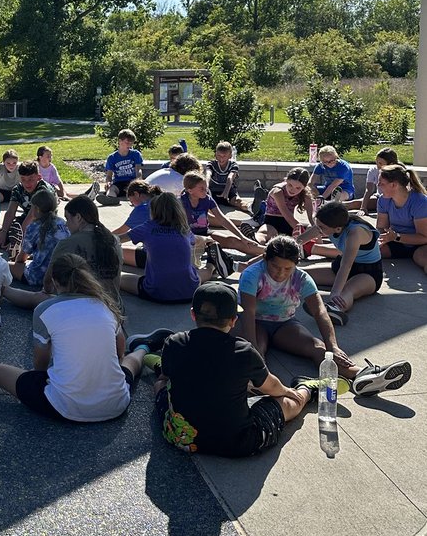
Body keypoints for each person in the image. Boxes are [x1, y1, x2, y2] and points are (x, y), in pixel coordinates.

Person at [0, 253, 144, 423]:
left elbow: (40, 363)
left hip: (65, 407)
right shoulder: (104, 305)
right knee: (129, 364)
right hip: (117, 404)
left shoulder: (46, 309)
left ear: (54, 281)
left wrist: (45, 377)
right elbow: (120, 347)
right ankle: (143, 348)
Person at [140, 282, 315, 457]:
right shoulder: (243, 351)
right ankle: (305, 391)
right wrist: (286, 391)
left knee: (162, 382)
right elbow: (271, 387)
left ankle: (161, 364)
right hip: (238, 443)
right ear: (233, 320)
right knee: (283, 403)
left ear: (193, 314)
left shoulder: (174, 342)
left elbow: (165, 378)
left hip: (181, 436)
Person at [238, 235, 410, 394]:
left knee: (319, 349)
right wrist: (253, 348)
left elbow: (320, 311)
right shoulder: (252, 275)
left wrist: (332, 345)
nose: (280, 273)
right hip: (255, 321)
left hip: (284, 323)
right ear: (265, 259)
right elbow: (248, 312)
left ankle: (364, 376)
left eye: (287, 268)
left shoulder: (301, 278)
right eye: (275, 266)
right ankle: (256, 383)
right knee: (255, 351)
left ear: (296, 265)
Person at [299, 202, 384, 325]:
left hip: (367, 273)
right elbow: (298, 241)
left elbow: (346, 265)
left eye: (321, 228)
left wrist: (334, 293)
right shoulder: (328, 224)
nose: (318, 230)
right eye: (317, 225)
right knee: (302, 276)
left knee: (347, 290)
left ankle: (334, 309)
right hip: (342, 267)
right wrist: (283, 248)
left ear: (338, 228)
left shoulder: (355, 232)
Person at [120, 191, 213, 302]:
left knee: (121, 279)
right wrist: (207, 240)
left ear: (153, 211)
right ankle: (212, 264)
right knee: (200, 274)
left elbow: (117, 239)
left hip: (157, 292)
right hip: (190, 291)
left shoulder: (148, 227)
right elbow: (196, 239)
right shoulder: (184, 229)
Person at [180, 171, 260, 267]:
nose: (205, 191)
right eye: (202, 189)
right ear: (190, 190)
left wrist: (242, 237)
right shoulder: (181, 202)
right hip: (188, 237)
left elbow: (222, 219)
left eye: (206, 188)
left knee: (233, 241)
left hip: (205, 233)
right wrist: (200, 240)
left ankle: (269, 251)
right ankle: (219, 264)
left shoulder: (207, 199)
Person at [0, 161, 57, 250]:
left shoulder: (43, 190)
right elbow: (10, 212)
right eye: (23, 179)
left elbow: (32, 215)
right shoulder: (18, 189)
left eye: (31, 179)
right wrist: (3, 233)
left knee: (38, 235)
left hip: (45, 221)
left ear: (39, 177)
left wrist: (17, 240)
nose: (27, 183)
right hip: (26, 220)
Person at [10, 189, 69, 288]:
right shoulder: (62, 223)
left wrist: (17, 261)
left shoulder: (34, 226)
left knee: (6, 265)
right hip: (60, 276)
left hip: (38, 277)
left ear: (36, 209)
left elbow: (22, 258)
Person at [376, 163, 427, 273]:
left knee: (423, 259)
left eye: (381, 183)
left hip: (421, 245)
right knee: (362, 251)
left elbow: (424, 237)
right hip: (395, 242)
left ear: (394, 185)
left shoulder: (420, 202)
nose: (378, 185)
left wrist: (396, 237)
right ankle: (328, 251)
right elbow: (381, 227)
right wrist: (381, 239)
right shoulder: (383, 200)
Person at [256, 168, 316, 242]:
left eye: (298, 188)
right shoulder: (278, 191)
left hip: (289, 225)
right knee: (264, 233)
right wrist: (302, 233)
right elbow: (286, 214)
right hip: (272, 222)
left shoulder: (305, 194)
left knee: (311, 230)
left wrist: (315, 232)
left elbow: (311, 218)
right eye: (290, 185)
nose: (293, 189)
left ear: (304, 187)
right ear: (286, 180)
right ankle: (255, 242)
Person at [100, 129, 144, 203]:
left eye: (131, 143)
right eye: (127, 142)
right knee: (112, 189)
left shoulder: (136, 154)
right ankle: (111, 199)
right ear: (120, 141)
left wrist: (138, 180)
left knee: (137, 190)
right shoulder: (112, 157)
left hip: (132, 181)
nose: (129, 145)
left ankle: (135, 200)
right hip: (119, 182)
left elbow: (138, 170)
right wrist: (108, 182)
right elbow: (109, 175)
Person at [204, 142, 248, 211]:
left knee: (238, 202)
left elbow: (230, 177)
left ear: (230, 156)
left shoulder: (233, 165)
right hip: (213, 192)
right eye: (219, 156)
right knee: (201, 200)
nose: (221, 159)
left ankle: (252, 208)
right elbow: (208, 175)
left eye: (224, 156)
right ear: (215, 155)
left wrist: (226, 192)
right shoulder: (211, 164)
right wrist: (206, 187)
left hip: (228, 191)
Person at [360, 148, 398, 215]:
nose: (377, 165)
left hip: (396, 198)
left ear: (391, 164)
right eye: (376, 162)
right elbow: (369, 190)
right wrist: (363, 208)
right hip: (380, 197)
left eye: (380, 163)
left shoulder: (398, 172)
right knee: (359, 203)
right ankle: (339, 203)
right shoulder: (373, 170)